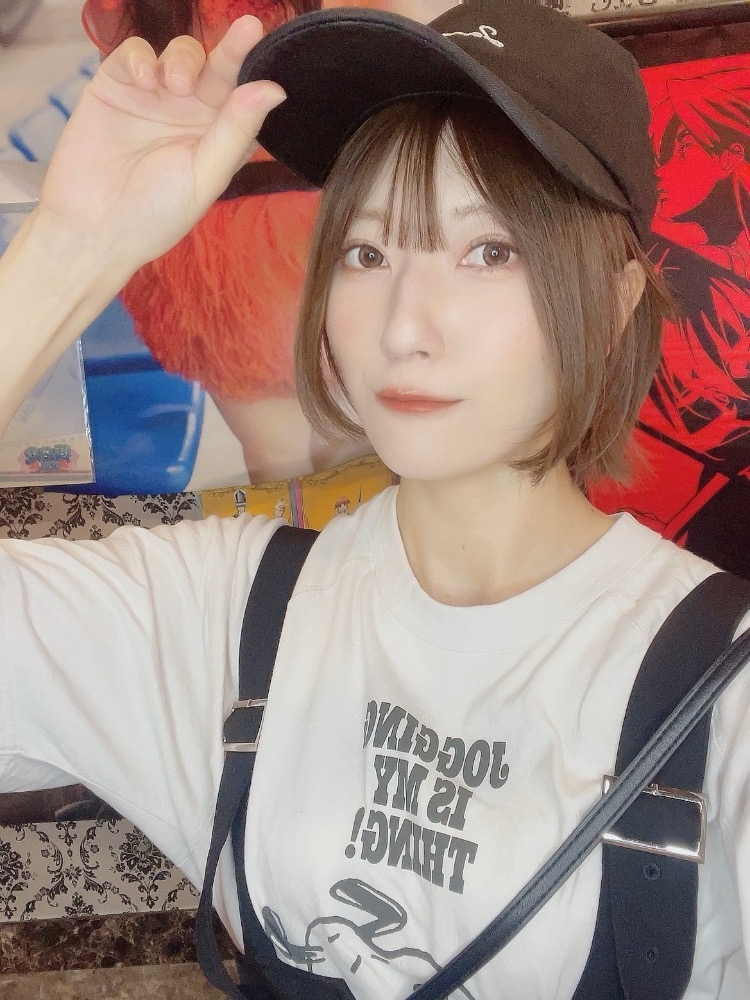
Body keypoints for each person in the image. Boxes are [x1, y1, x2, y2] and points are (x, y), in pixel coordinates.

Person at [0, 3, 749, 999]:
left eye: (490, 250)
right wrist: (73, 247)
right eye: (367, 251)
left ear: (614, 305)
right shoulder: (222, 613)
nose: (403, 326)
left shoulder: (724, 693)